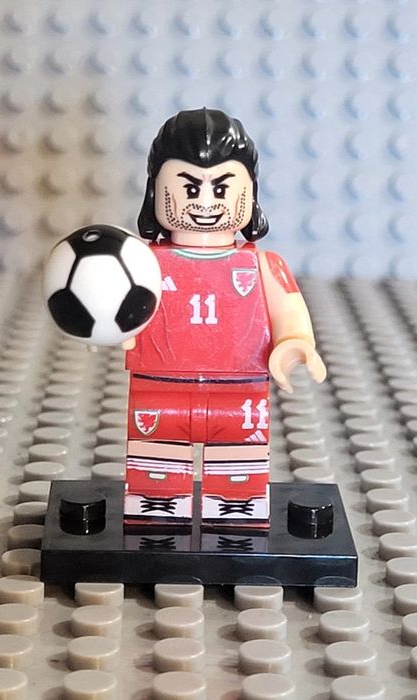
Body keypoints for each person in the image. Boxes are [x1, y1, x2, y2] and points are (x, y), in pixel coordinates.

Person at [123, 108, 326, 527]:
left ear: (249, 192)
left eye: (221, 188)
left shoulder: (263, 265)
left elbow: (290, 311)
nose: (205, 203)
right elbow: (111, 303)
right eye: (188, 188)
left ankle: (236, 524)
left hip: (240, 390)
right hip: (158, 386)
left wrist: (294, 344)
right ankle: (156, 524)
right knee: (156, 477)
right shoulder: (141, 263)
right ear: (156, 190)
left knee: (239, 476)